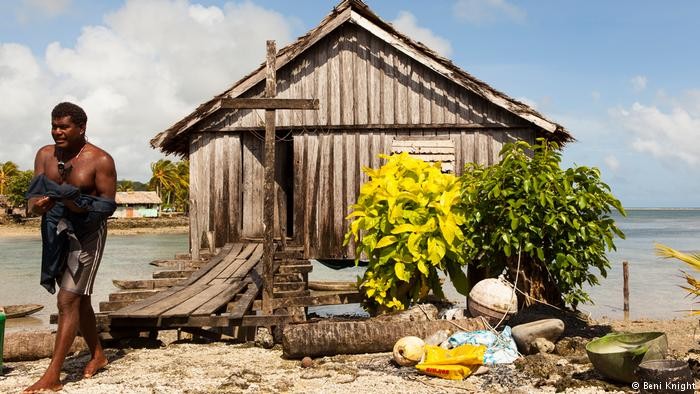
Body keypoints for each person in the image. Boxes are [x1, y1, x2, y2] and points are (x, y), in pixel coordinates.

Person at [24, 102, 117, 393]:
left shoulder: (100, 159)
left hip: (88, 233)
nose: (57, 132)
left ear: (81, 127)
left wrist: (77, 204)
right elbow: (31, 202)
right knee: (80, 300)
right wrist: (39, 206)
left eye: (64, 126)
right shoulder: (44, 155)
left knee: (67, 300)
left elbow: (107, 205)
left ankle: (53, 375)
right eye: (54, 126)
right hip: (55, 230)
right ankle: (99, 355)